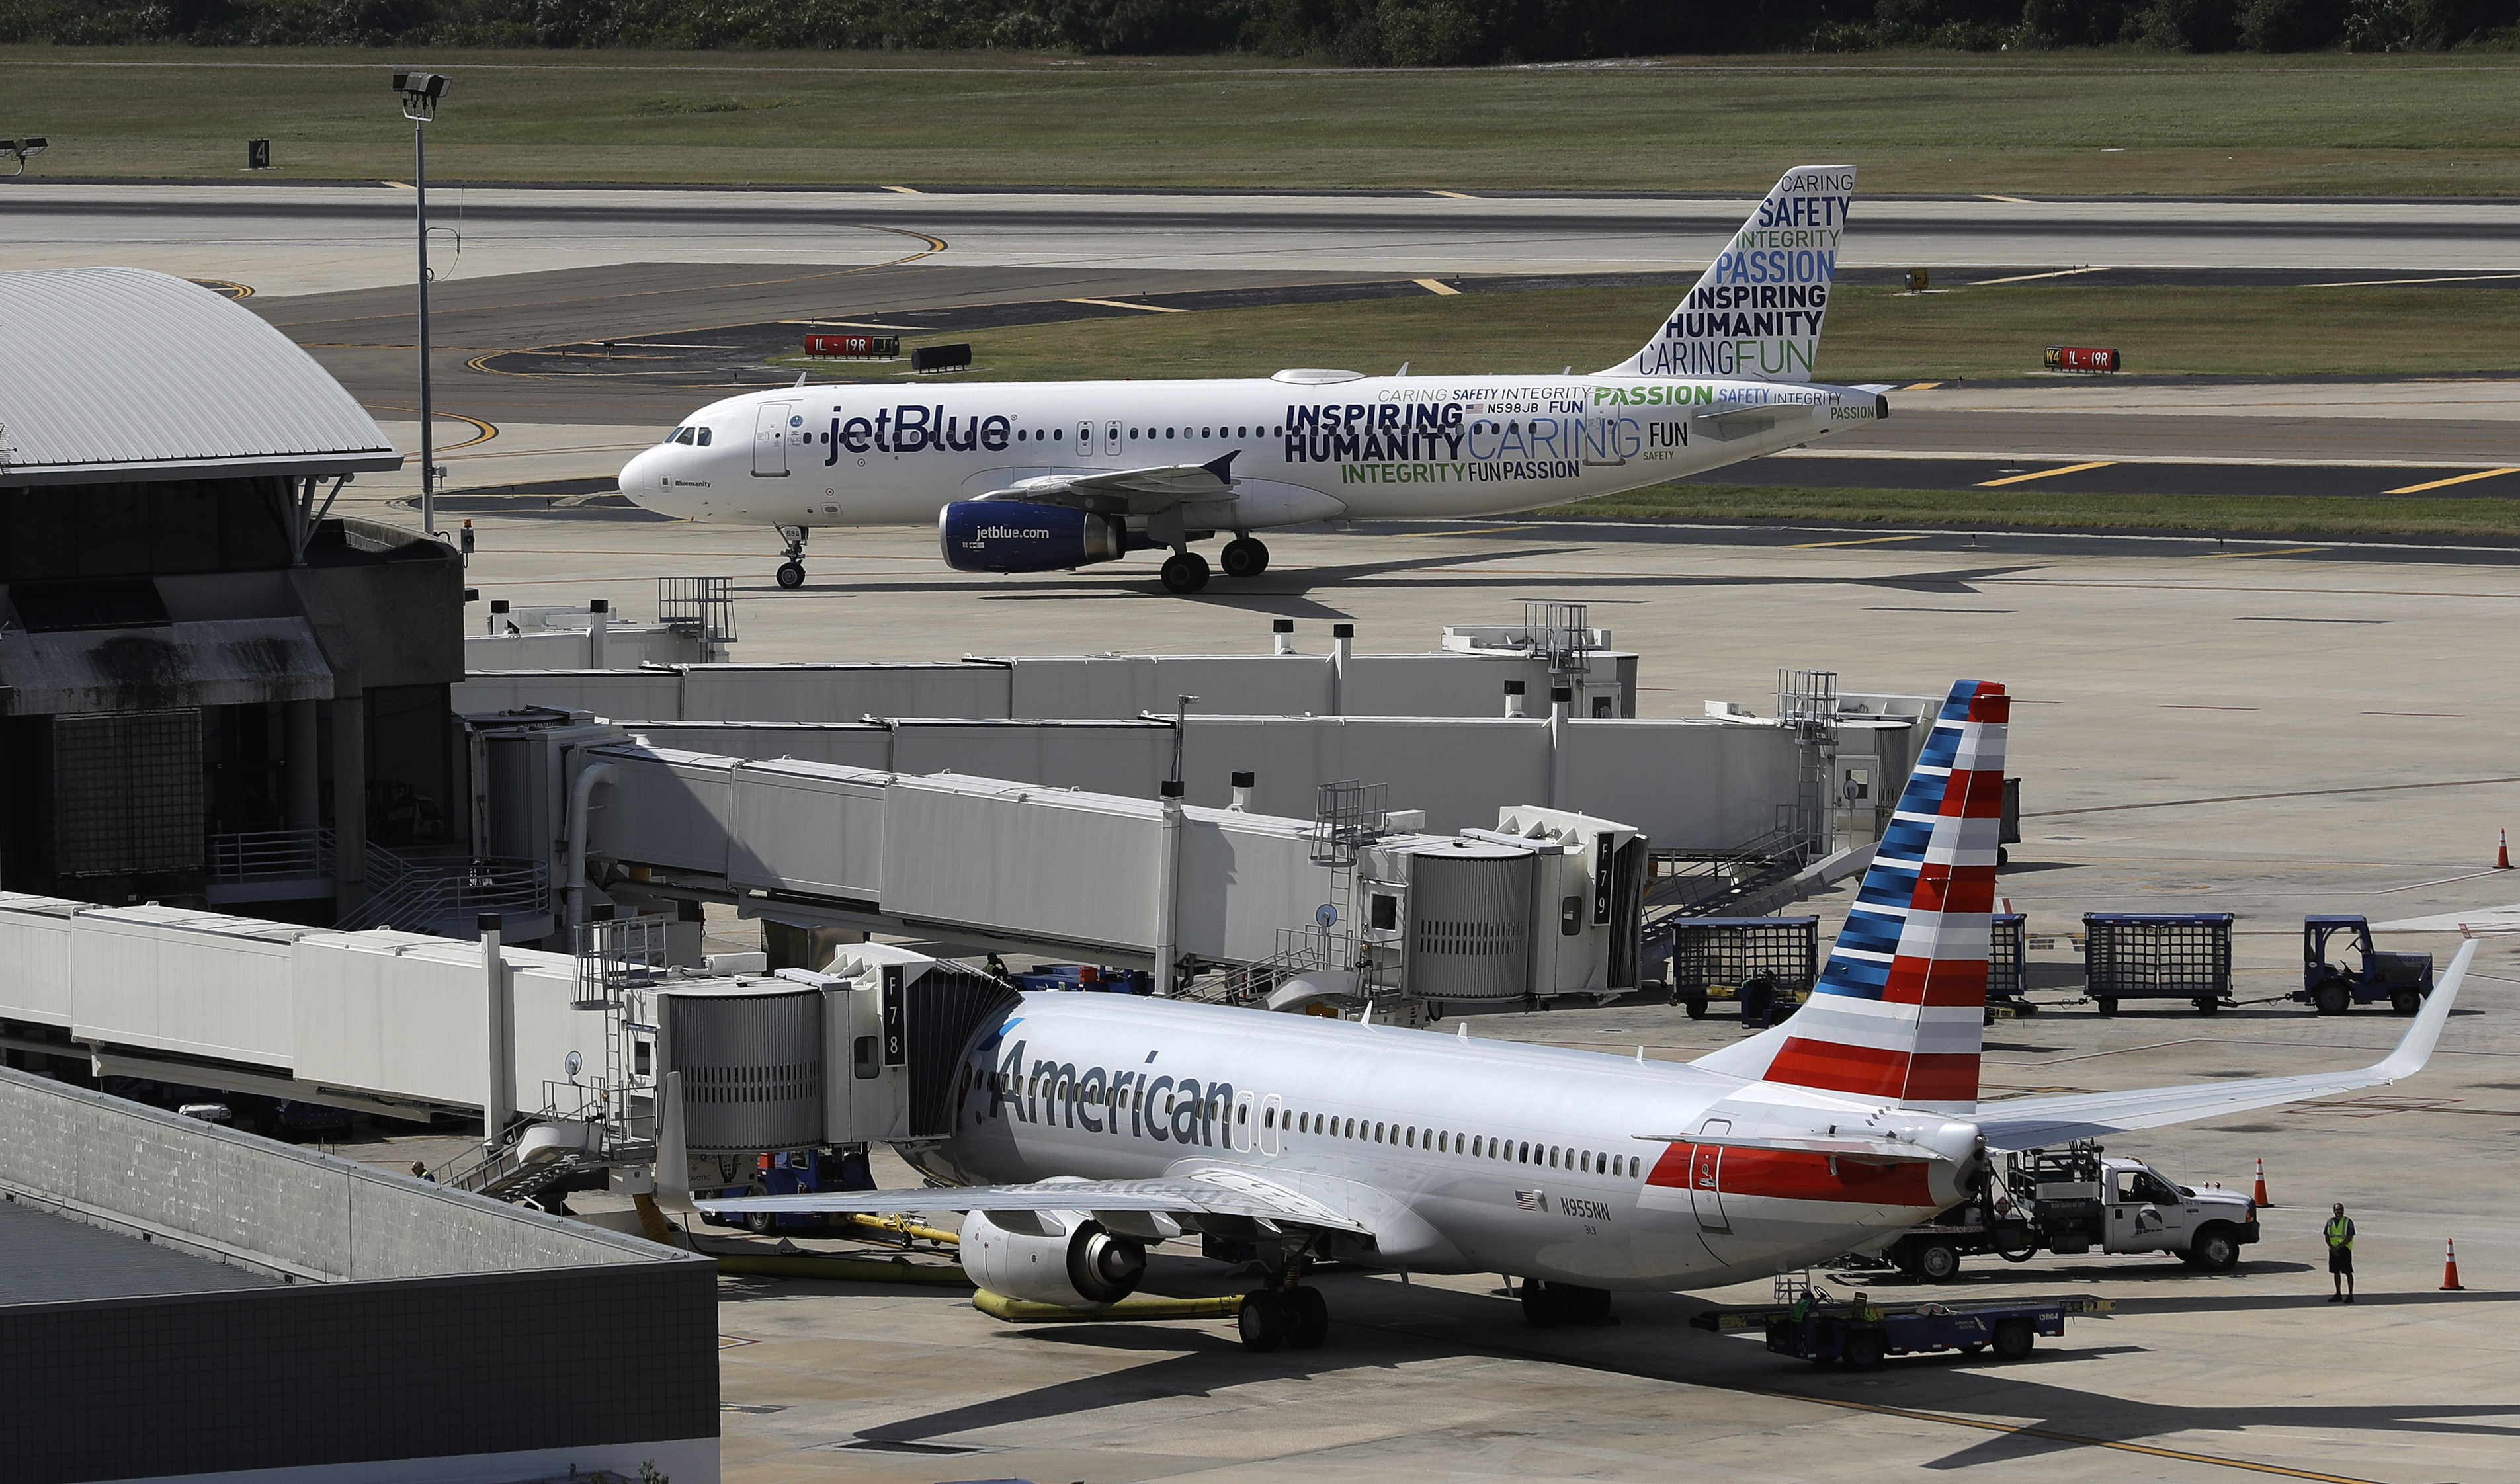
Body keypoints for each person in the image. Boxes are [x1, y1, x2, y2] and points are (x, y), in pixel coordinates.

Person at [2324, 1202, 2355, 1302]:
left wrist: (2338, 1247)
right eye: (2337, 1210)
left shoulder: (2348, 1221)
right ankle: (2338, 1294)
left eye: (2341, 1209)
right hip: (2333, 1250)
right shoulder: (2329, 1222)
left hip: (2344, 1249)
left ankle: (2350, 1295)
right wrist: (2332, 1248)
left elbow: (2349, 1237)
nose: (2339, 1211)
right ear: (2334, 1211)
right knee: (2336, 1272)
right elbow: (2327, 1237)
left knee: (2348, 1272)